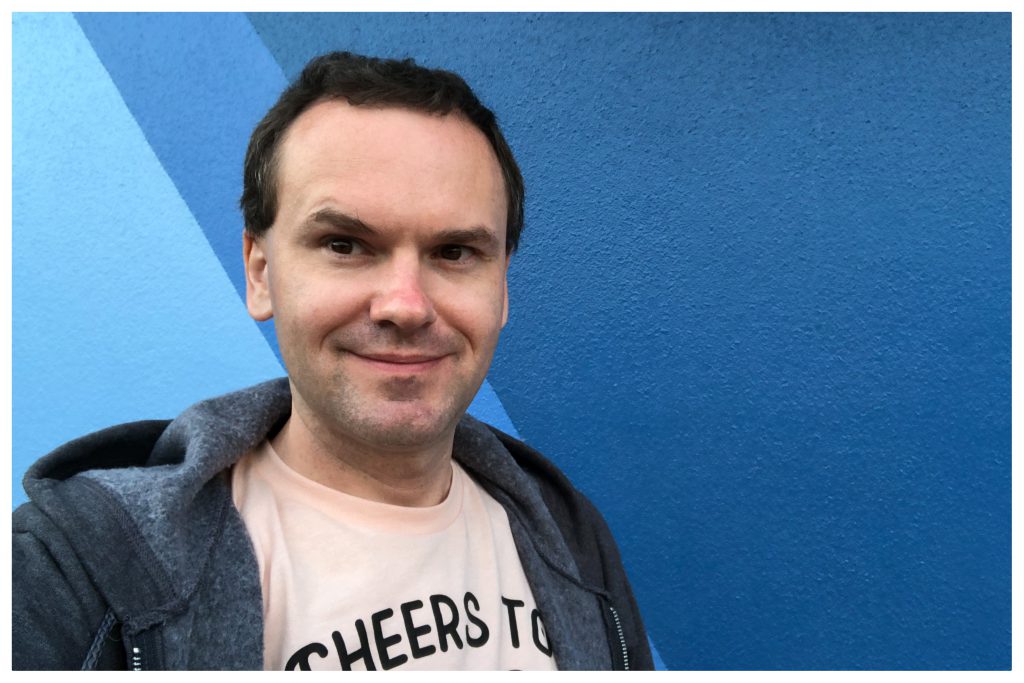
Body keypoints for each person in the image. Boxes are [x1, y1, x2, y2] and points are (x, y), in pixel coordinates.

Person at [12, 51, 652, 671]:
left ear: (503, 288)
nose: (405, 305)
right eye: (345, 244)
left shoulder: (569, 536)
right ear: (260, 273)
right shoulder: (75, 571)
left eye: (455, 252)